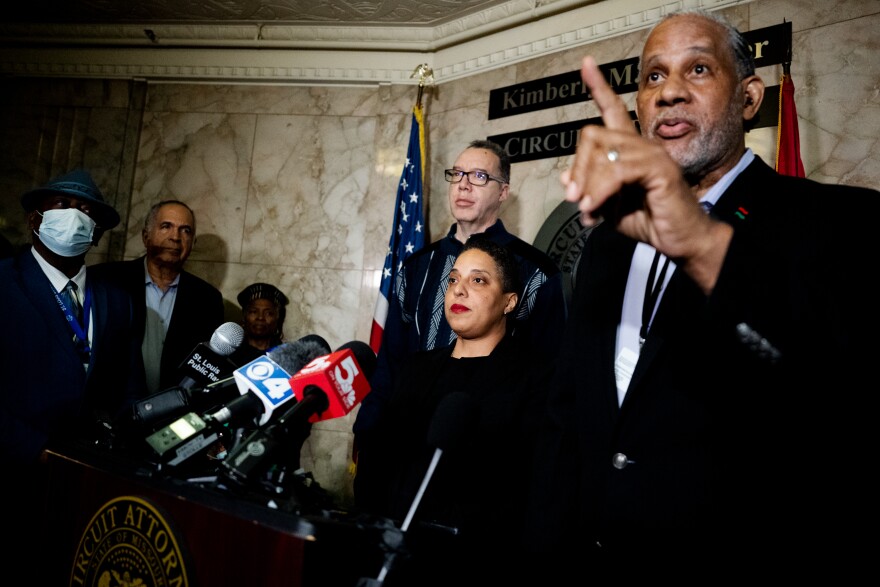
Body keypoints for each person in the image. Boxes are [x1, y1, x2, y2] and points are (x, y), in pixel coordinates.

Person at [527, 8, 879, 577]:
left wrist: (701, 245)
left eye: (697, 69)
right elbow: (566, 415)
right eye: (653, 77)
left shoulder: (841, 224)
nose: (669, 93)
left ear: (748, 97)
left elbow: (837, 392)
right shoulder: (607, 245)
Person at [354, 237, 548, 586]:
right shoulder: (415, 369)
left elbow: (536, 488)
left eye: (478, 280)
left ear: (509, 302)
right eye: (453, 279)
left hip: (478, 564)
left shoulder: (535, 378)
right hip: (397, 561)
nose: (459, 291)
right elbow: (380, 463)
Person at [354, 139, 567, 444]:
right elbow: (391, 362)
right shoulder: (415, 268)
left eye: (480, 176)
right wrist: (368, 430)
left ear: (503, 192)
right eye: (457, 174)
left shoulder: (534, 272)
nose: (463, 186)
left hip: (491, 444)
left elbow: (551, 373)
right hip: (408, 435)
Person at [0, 169, 146, 566]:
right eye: (63, 206)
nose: (75, 215)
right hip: (13, 472)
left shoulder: (120, 301)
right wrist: (34, 450)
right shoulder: (4, 283)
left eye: (85, 210)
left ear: (96, 233)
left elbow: (129, 390)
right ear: (35, 220)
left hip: (89, 481)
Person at [92, 200, 224, 395]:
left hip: (173, 415)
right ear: (146, 236)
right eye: (166, 226)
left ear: (193, 243)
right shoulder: (106, 281)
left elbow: (207, 368)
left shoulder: (207, 299)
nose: (175, 237)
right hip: (107, 409)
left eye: (185, 230)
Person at [229, 282, 290, 366]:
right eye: (254, 312)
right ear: (244, 316)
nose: (260, 317)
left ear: (277, 318)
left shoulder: (285, 356)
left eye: (268, 313)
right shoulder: (230, 351)